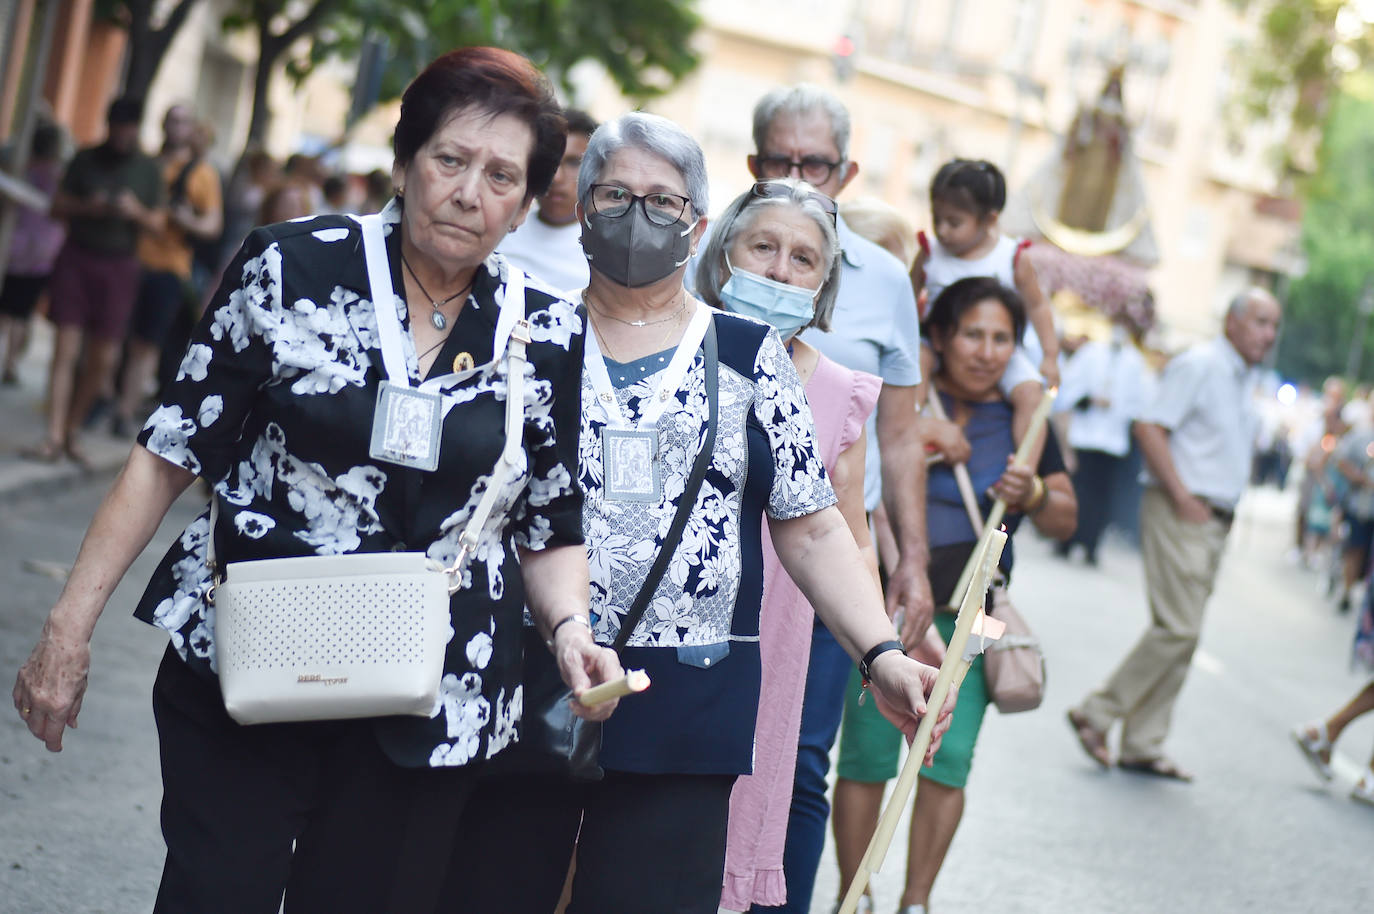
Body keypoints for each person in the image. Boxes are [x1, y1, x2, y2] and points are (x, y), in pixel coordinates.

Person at [11, 47, 621, 913]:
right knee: (216, 892)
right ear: (405, 162)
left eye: (500, 177)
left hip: (433, 686)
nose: (468, 192)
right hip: (255, 652)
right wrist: (68, 630)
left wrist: (569, 631)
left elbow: (550, 523)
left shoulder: (549, 334)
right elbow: (165, 454)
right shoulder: (290, 267)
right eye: (449, 160)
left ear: (526, 206)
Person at [470, 112, 953, 914]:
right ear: (583, 208)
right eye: (617, 194)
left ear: (696, 227)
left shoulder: (749, 355)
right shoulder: (525, 339)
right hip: (523, 684)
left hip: (688, 708)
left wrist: (879, 653)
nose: (638, 215)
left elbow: (813, 522)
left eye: (663, 202)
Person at [830, 276, 1077, 914]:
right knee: (867, 752)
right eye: (973, 333)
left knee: (952, 756)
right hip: (890, 609)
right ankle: (852, 896)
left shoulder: (1027, 424)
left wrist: (1038, 494)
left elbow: (1066, 519)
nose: (988, 350)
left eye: (1003, 339)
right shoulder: (902, 404)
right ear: (939, 335)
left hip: (979, 614)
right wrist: (921, 441)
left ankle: (917, 901)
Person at [743, 85, 934, 914]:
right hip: (725, 560)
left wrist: (910, 565)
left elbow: (897, 434)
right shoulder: (722, 252)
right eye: (779, 160)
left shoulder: (886, 280)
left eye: (812, 163)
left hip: (829, 561)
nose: (796, 175)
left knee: (799, 758)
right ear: (752, 167)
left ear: (846, 171)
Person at [690, 178, 882, 910]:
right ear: (722, 253)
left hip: (773, 645)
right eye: (763, 247)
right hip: (662, 636)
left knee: (745, 820)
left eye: (803, 259)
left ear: (823, 284)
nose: (778, 271)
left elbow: (851, 543)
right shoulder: (665, 349)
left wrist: (882, 652)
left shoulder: (842, 393)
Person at [1068, 288, 1282, 781]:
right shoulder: (1202, 364)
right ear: (1231, 321)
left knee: (1184, 634)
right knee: (1178, 629)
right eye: (1260, 322)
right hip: (1181, 509)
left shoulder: (1240, 376)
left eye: (1273, 325)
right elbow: (1149, 427)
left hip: (1212, 518)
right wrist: (1182, 495)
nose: (1268, 334)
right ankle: (1097, 714)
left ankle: (1143, 742)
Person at [23, 96, 163, 466]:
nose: (122, 134)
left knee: (104, 358)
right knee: (65, 348)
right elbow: (56, 207)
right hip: (78, 257)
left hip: (120, 266)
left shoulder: (147, 169)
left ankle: (72, 427)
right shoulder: (85, 158)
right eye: (117, 127)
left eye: (128, 127)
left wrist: (135, 211)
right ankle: (53, 434)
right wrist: (91, 206)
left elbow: (160, 225)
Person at [912, 159, 1059, 455]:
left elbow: (1038, 306)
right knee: (917, 365)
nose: (942, 230)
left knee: (1031, 393)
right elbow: (906, 294)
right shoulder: (930, 253)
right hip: (935, 341)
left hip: (997, 350)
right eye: (936, 218)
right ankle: (912, 429)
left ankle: (1022, 470)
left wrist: (1050, 355)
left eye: (954, 222)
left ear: (989, 220)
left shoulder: (1011, 257)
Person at [113, 103, 223, 436]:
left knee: (146, 343)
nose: (176, 127)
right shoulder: (146, 163)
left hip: (170, 267)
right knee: (114, 337)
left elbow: (212, 225)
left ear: (192, 128)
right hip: (127, 258)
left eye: (183, 121)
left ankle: (124, 410)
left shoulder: (202, 173)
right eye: (171, 120)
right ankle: (106, 396)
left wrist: (186, 219)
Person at [1052, 319, 1148, 565]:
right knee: (1078, 491)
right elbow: (1070, 388)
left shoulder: (1134, 362)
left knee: (1102, 496)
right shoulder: (1090, 353)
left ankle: (1090, 544)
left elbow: (1139, 402)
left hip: (1112, 442)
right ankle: (1066, 539)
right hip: (1085, 436)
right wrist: (1088, 399)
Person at [497, 108, 596, 293]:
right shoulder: (499, 232)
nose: (556, 177)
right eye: (549, 162)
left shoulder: (606, 251)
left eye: (574, 162)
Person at [0, 121, 66, 386]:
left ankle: (7, 360)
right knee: (21, 313)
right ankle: (11, 362)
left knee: (6, 311)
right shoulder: (59, 176)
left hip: (13, 249)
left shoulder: (18, 170)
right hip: (42, 253)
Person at [1333, 403, 1374, 613]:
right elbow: (1340, 460)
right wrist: (1357, 477)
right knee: (1355, 549)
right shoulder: (1361, 436)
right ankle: (1347, 591)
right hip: (1361, 505)